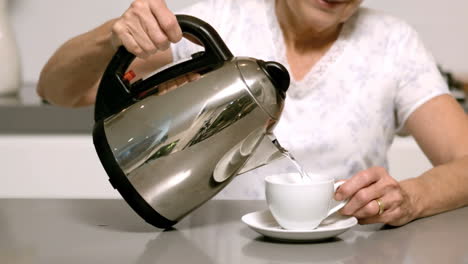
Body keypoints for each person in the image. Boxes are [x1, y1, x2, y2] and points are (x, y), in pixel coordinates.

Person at [37, 0, 468, 226]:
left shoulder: (392, 42)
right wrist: (111, 37)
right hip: (203, 250)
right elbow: (57, 92)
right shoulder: (213, 21)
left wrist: (412, 198)